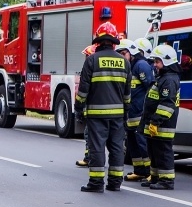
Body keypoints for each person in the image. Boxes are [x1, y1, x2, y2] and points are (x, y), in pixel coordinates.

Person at [74, 22, 131, 193]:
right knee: (116, 148)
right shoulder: (125, 63)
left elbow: (83, 90)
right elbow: (127, 94)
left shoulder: (91, 60)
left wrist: (79, 109)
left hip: (96, 114)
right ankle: (115, 183)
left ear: (98, 42)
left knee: (97, 148)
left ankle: (96, 183)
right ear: (114, 42)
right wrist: (125, 113)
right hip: (118, 115)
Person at [140, 44, 181, 190]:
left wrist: (156, 121)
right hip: (156, 124)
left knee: (163, 152)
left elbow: (167, 105)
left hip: (163, 125)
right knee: (154, 151)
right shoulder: (163, 78)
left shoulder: (168, 80)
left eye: (158, 62)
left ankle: (166, 181)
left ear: (167, 61)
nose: (155, 65)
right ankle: (156, 178)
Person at [116, 40, 153, 181]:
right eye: (119, 54)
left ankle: (150, 172)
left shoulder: (141, 65)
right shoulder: (127, 67)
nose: (121, 56)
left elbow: (150, 88)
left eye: (123, 53)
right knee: (132, 144)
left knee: (143, 143)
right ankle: (139, 170)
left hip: (140, 113)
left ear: (131, 53)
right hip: (130, 115)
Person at [75, 44, 97, 168]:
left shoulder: (90, 70)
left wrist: (78, 107)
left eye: (87, 56)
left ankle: (90, 158)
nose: (85, 59)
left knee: (90, 134)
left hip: (94, 111)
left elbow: (84, 91)